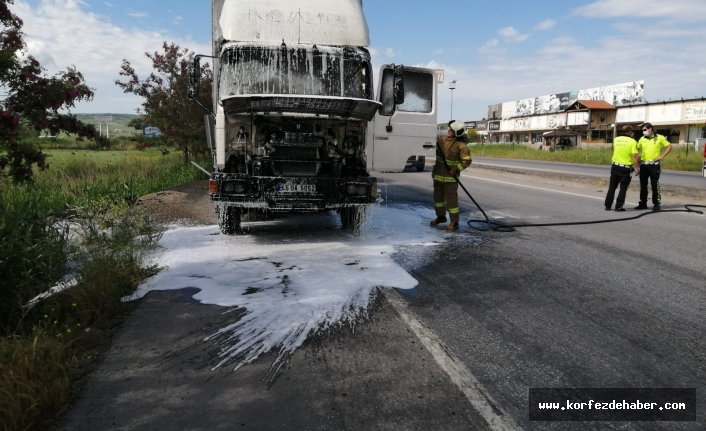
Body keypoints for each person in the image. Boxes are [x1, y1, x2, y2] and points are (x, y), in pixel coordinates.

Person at [430, 121, 472, 230]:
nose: (448, 131)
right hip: (438, 176)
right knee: (438, 199)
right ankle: (440, 217)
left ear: (457, 132)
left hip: (450, 178)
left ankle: (454, 222)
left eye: (451, 130)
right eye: (449, 129)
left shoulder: (461, 146)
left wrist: (455, 169)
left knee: (452, 201)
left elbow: (466, 161)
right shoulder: (441, 141)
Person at [635, 122, 672, 211]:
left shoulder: (659, 137)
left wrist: (661, 156)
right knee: (643, 185)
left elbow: (669, 146)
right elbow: (636, 149)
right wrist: (638, 159)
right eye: (642, 130)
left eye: (644, 130)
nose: (643, 131)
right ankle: (643, 203)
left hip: (654, 166)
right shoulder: (642, 139)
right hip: (644, 165)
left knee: (655, 185)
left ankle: (656, 204)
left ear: (650, 129)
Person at [604, 125, 640, 211]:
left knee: (612, 187)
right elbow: (634, 155)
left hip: (615, 166)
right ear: (630, 131)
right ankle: (619, 206)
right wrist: (636, 167)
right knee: (623, 188)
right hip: (625, 168)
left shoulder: (616, 139)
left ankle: (608, 205)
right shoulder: (633, 141)